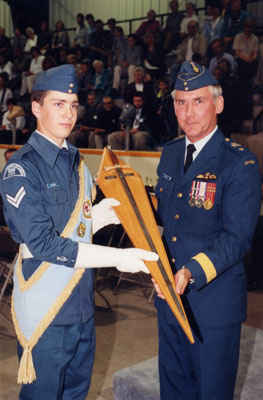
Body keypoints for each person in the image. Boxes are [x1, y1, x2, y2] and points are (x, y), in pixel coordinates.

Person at [0, 64, 158, 400]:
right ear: (36, 107)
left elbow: (80, 227)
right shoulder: (21, 168)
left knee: (76, 393)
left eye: (73, 105)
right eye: (59, 104)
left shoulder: (77, 163)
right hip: (47, 307)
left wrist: (113, 212)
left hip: (82, 305)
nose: (69, 113)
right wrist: (119, 257)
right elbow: (43, 243)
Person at [152, 61, 261, 400]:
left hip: (214, 304)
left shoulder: (238, 163)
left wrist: (191, 270)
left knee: (210, 392)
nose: (188, 112)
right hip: (169, 298)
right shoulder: (169, 155)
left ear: (219, 104)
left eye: (198, 101)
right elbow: (166, 225)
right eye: (181, 102)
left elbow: (237, 238)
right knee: (173, 389)